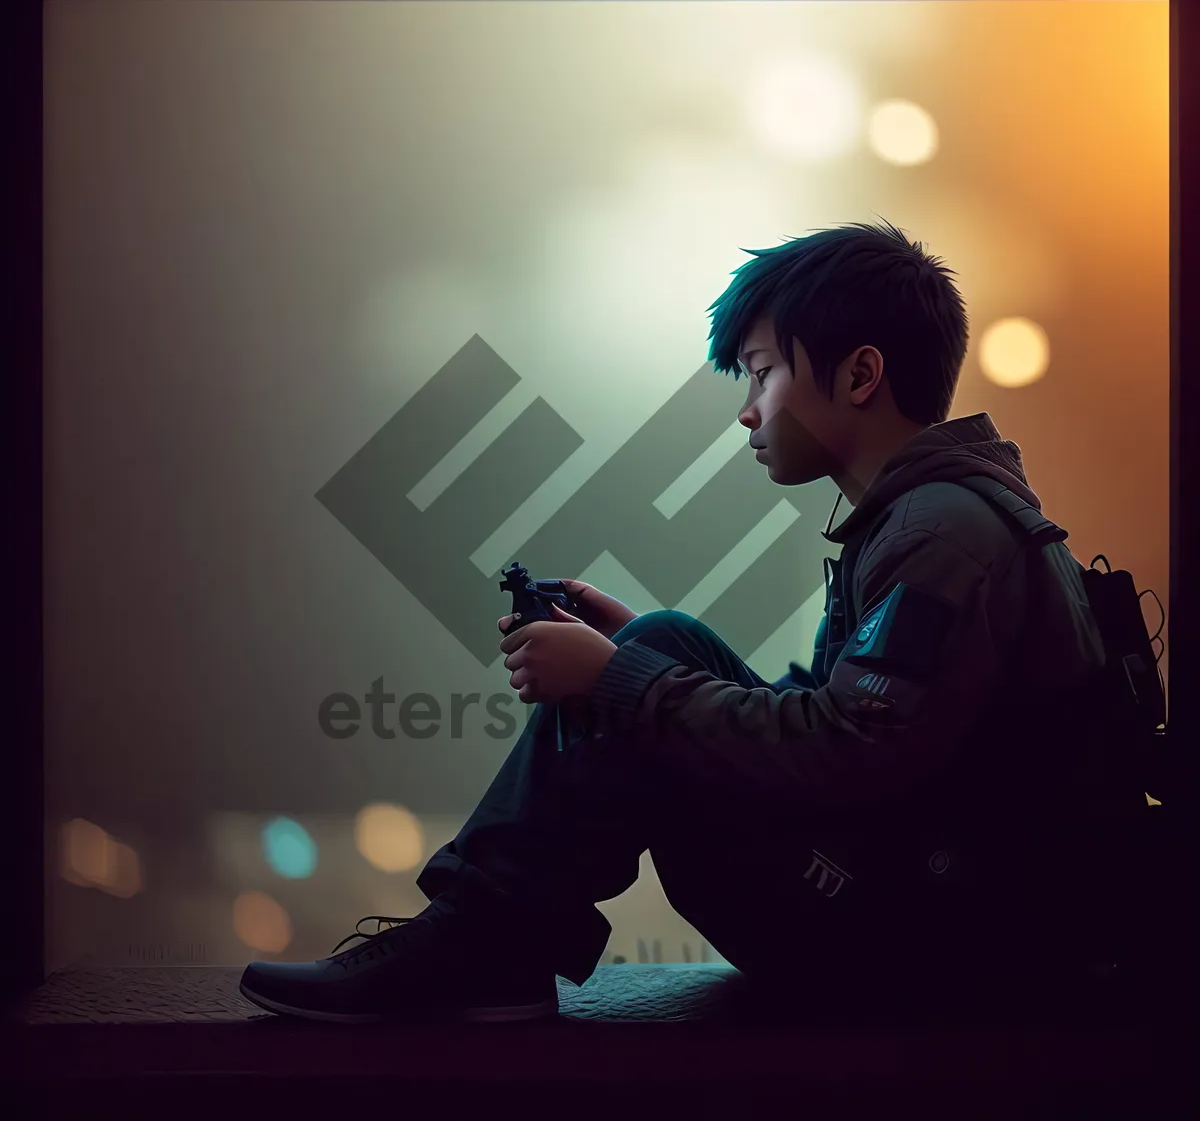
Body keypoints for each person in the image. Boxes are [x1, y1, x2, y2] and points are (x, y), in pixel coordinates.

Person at [239, 218, 1104, 1024]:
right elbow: (854, 732)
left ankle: (478, 943)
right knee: (662, 638)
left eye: (763, 373)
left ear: (861, 375)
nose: (747, 410)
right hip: (928, 905)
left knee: (648, 657)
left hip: (930, 954)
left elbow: (849, 755)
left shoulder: (941, 534)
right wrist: (634, 658)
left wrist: (618, 678)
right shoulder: (932, 517)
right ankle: (486, 940)